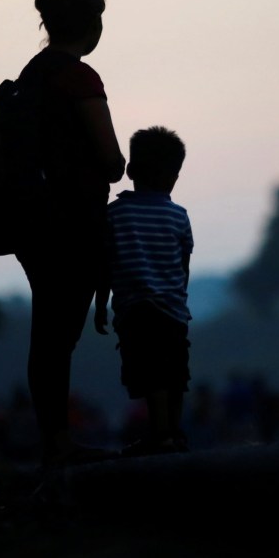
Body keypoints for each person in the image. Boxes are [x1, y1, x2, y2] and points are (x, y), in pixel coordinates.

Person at [14, 0, 126, 467]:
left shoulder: (31, 74)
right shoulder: (80, 78)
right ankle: (60, 447)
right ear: (92, 25)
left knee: (47, 334)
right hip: (73, 223)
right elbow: (111, 161)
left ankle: (52, 442)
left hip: (30, 221)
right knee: (61, 336)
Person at [94, 126, 193, 457]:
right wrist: (180, 300)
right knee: (175, 371)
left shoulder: (114, 214)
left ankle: (160, 434)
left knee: (151, 374)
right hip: (174, 310)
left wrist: (100, 305)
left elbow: (105, 266)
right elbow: (184, 266)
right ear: (174, 175)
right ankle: (173, 433)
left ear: (132, 171)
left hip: (136, 309)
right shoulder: (179, 216)